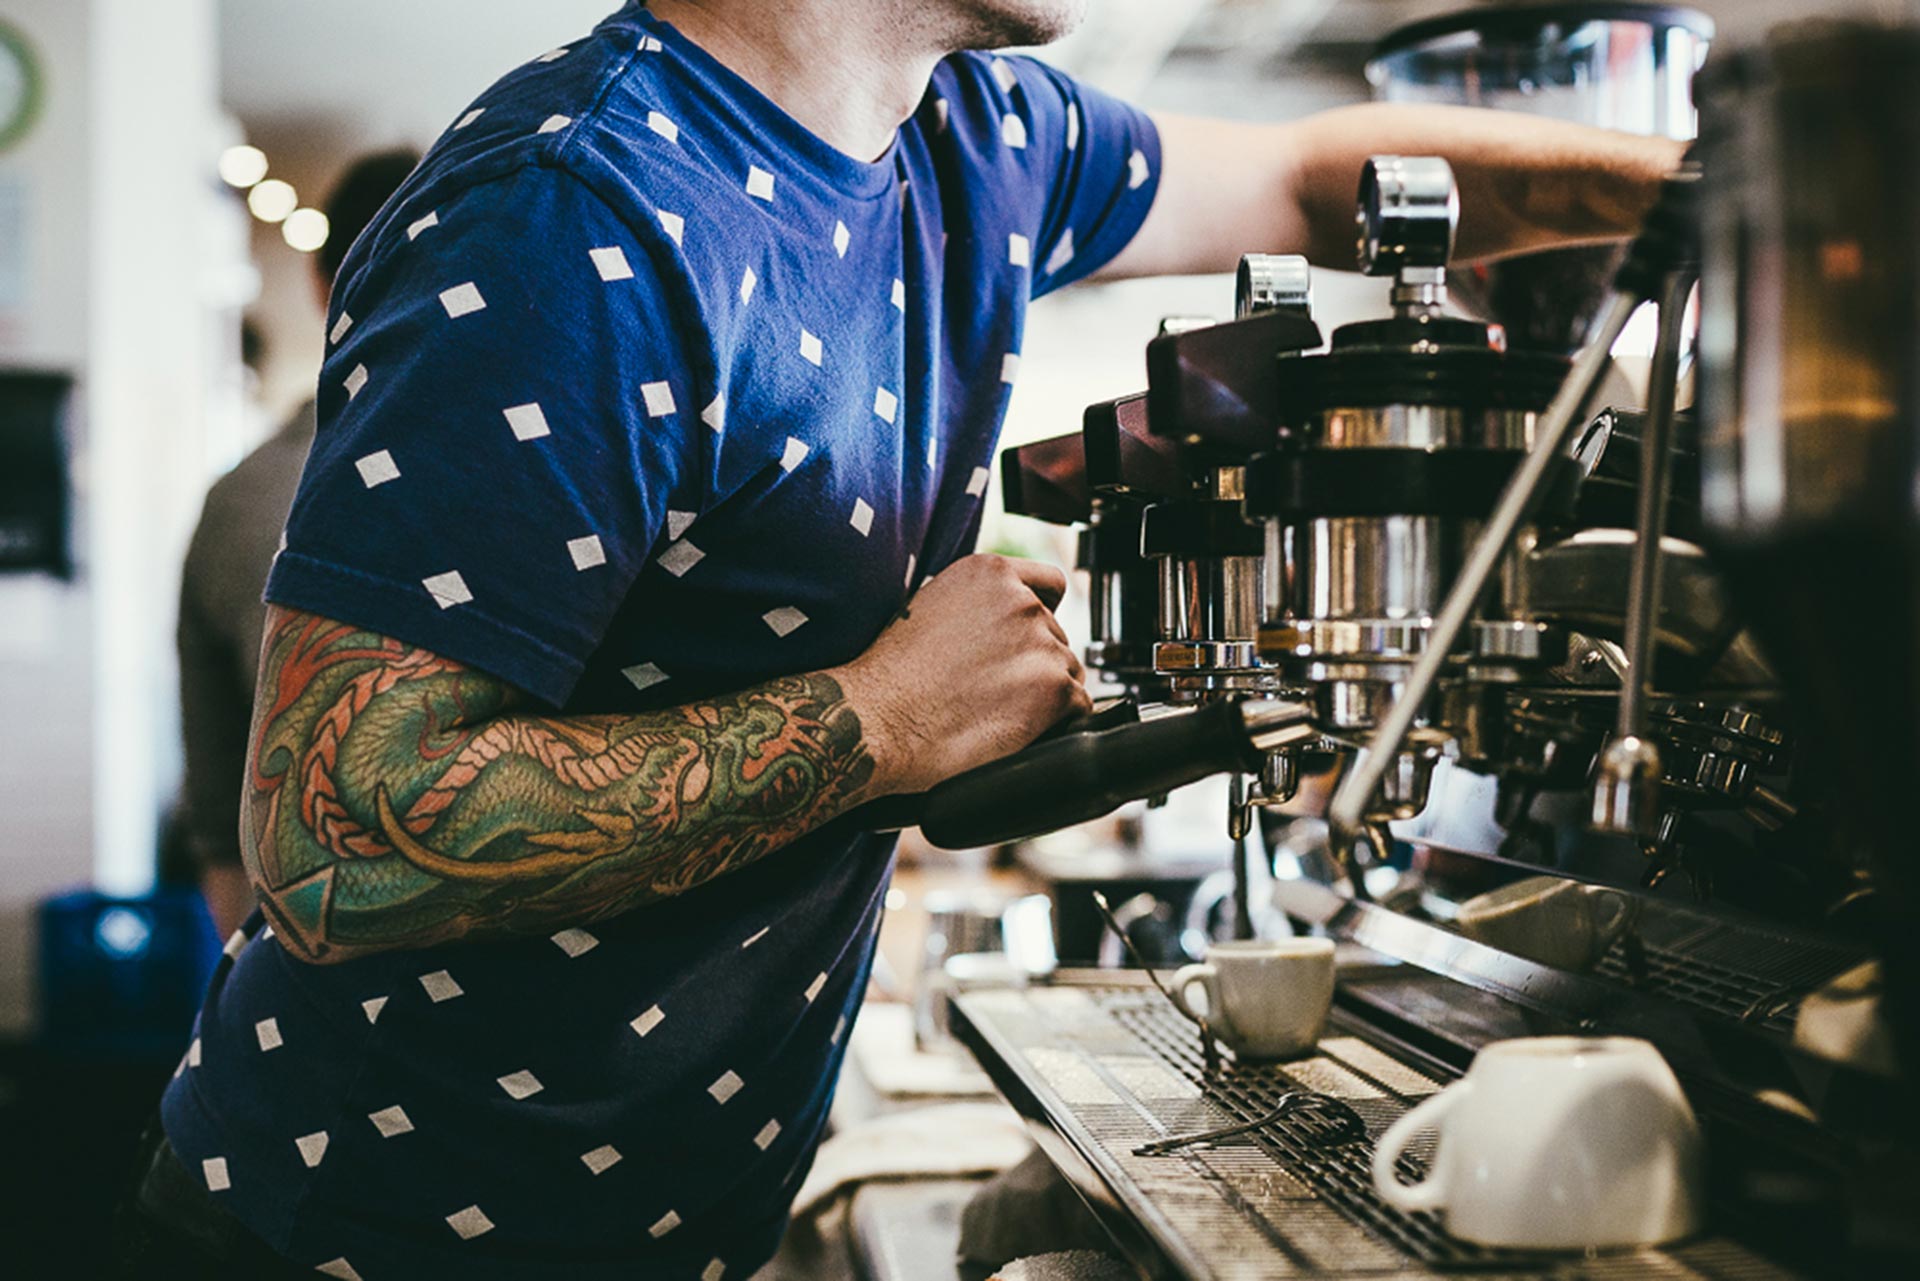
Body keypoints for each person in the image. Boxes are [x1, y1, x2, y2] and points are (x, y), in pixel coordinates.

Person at [130, 2, 1684, 1276]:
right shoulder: (572, 209)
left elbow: (1311, 180)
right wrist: (882, 716)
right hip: (371, 1239)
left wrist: (1708, 180)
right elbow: (334, 834)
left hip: (682, 1224)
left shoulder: (985, 139)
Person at [176, 149, 422, 940]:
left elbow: (220, 820)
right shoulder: (540, 481)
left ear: (321, 284)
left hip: (291, 976)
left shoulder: (240, 495)